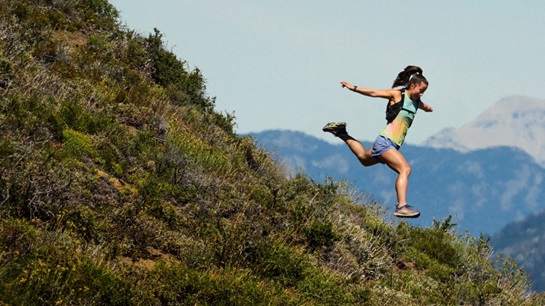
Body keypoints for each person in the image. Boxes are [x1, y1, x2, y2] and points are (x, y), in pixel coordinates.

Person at [323, 66, 433, 218]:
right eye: (421, 90)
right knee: (405, 169)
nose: (421, 94)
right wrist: (353, 88)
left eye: (424, 92)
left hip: (391, 145)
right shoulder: (397, 95)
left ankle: (341, 132)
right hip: (385, 142)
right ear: (412, 85)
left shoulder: (416, 101)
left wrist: (427, 108)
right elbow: (374, 93)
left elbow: (423, 105)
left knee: (363, 157)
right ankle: (402, 206)